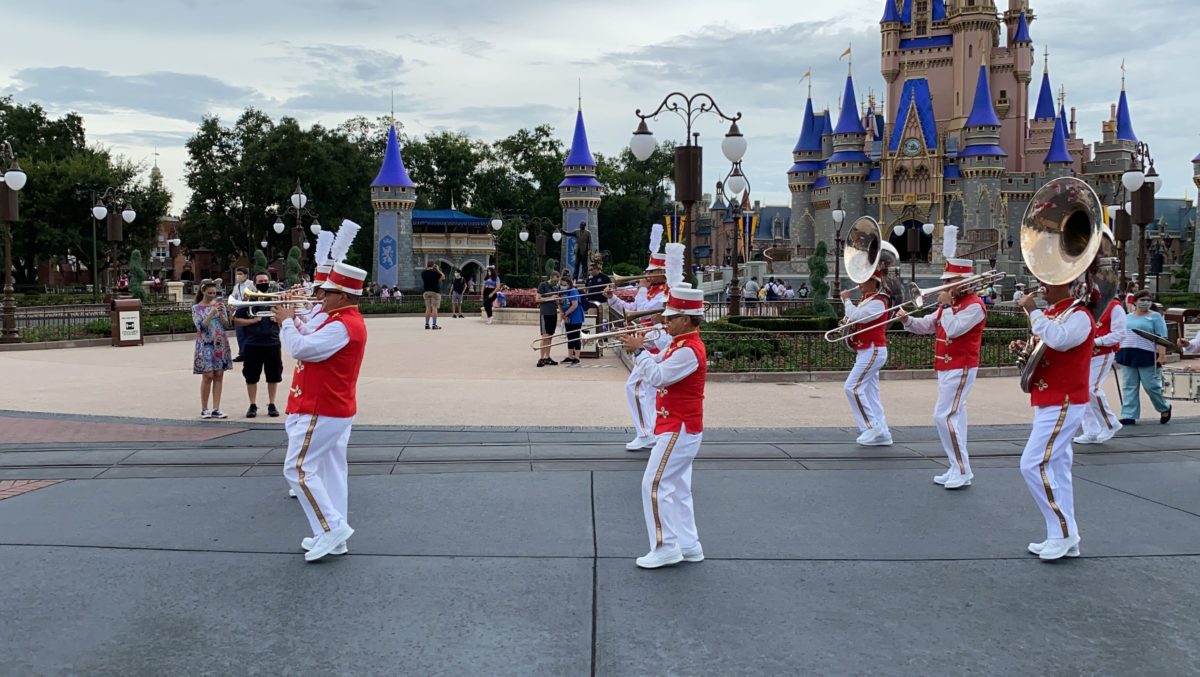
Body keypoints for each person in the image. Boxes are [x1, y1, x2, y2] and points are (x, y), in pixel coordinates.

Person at [276, 260, 369, 562]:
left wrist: (287, 322)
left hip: (322, 406)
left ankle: (331, 528)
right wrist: (294, 321)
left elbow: (303, 349)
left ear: (342, 296)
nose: (321, 296)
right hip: (330, 406)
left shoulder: (343, 324)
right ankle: (330, 533)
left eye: (327, 292)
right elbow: (314, 342)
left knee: (298, 469)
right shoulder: (342, 320)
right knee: (330, 472)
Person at [616, 285, 708, 569]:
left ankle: (666, 546)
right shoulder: (679, 344)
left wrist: (639, 352)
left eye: (671, 317)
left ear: (687, 318)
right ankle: (689, 544)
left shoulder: (689, 350)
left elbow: (657, 378)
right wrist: (641, 349)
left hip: (678, 427)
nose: (665, 321)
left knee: (653, 485)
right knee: (678, 488)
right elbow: (657, 363)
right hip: (678, 425)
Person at [1010, 282, 1094, 560]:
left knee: (1031, 464)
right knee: (1058, 468)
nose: (1043, 286)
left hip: (1065, 398)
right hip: (1050, 397)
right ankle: (1062, 535)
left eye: (1050, 281)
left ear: (1067, 284)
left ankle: (1065, 531)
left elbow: (1059, 339)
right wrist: (1025, 349)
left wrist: (1033, 312)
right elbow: (1049, 347)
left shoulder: (1079, 315)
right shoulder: (1056, 313)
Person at [896, 240, 983, 489]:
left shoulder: (974, 306)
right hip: (948, 367)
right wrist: (907, 320)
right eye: (944, 281)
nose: (943, 286)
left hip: (962, 366)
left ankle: (963, 469)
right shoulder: (952, 305)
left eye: (948, 282)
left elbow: (954, 330)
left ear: (961, 283)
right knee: (955, 417)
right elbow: (929, 325)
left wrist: (944, 305)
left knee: (943, 416)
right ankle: (956, 466)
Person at [606, 252, 669, 450]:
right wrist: (612, 298)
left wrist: (641, 290)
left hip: (656, 343)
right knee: (647, 392)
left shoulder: (666, 292)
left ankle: (645, 433)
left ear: (662, 272)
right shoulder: (652, 291)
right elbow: (632, 310)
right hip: (649, 342)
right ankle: (652, 432)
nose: (646, 276)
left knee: (634, 387)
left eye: (651, 272)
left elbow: (644, 308)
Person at [839, 269, 892, 446]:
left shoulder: (879, 302)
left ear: (874, 281)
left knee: (851, 388)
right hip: (866, 350)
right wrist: (846, 324)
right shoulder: (867, 300)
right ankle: (883, 433)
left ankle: (871, 427)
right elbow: (855, 320)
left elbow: (856, 316)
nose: (860, 283)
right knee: (871, 394)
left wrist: (846, 300)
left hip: (873, 350)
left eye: (864, 280)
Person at [1076, 282, 1127, 444]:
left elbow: (1119, 333)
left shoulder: (1114, 307)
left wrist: (1096, 342)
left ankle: (1110, 423)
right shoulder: (1084, 307)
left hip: (1102, 353)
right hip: (1084, 354)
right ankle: (1091, 429)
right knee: (1080, 391)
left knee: (1092, 388)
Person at [1116, 289, 1171, 425]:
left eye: (1148, 300)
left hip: (1147, 354)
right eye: (1142, 300)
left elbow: (1161, 337)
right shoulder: (1127, 317)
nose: (1145, 302)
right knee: (1129, 386)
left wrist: (1161, 355)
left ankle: (1164, 407)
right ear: (1135, 302)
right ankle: (1129, 414)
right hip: (1128, 353)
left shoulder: (1155, 317)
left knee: (1151, 386)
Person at [232, 272, 283, 418]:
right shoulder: (249, 300)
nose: (263, 283)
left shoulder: (275, 300)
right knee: (251, 376)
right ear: (255, 284)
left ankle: (272, 404)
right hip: (253, 344)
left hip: (272, 343)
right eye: (260, 281)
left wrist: (277, 319)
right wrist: (253, 321)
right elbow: (237, 320)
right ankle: (252, 404)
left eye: (265, 280)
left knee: (273, 375)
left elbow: (287, 318)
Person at [192, 280, 232, 419]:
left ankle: (216, 408)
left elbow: (226, 324)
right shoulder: (196, 308)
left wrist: (221, 313)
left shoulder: (219, 305)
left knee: (219, 374)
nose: (212, 295)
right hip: (205, 343)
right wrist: (212, 312)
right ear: (203, 291)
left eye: (214, 293)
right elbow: (200, 327)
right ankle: (204, 408)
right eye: (209, 293)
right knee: (208, 375)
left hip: (219, 342)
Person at [535, 271, 561, 367]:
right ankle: (541, 358)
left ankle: (547, 357)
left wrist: (558, 301)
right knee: (545, 336)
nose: (556, 282)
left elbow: (557, 302)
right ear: (552, 277)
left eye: (558, 280)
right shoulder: (543, 285)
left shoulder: (555, 287)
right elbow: (537, 299)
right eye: (555, 280)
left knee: (550, 336)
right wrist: (550, 298)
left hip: (553, 313)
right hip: (545, 313)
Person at [228, 267, 253, 362]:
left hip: (248, 310)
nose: (238, 276)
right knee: (240, 334)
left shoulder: (251, 284)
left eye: (240, 274)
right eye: (237, 274)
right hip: (239, 311)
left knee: (248, 333)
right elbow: (233, 297)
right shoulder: (236, 286)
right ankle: (242, 353)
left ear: (246, 275)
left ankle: (249, 353)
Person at [559, 277, 584, 366]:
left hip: (576, 317)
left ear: (569, 284)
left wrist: (565, 313)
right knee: (569, 337)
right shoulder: (562, 292)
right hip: (567, 317)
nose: (563, 286)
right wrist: (562, 314)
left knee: (575, 336)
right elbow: (561, 304)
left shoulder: (573, 291)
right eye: (562, 284)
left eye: (565, 285)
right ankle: (570, 356)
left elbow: (575, 304)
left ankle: (577, 357)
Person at [420, 261, 445, 330]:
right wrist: (438, 269)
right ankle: (434, 325)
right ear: (433, 265)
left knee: (428, 308)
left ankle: (427, 324)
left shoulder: (423, 273)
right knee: (434, 308)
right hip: (435, 292)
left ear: (427, 265)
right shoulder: (435, 273)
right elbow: (443, 277)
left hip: (426, 292)